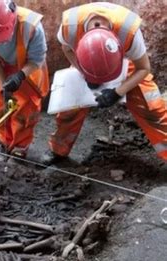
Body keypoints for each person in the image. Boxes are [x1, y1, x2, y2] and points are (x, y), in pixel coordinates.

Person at [43, 2, 167, 164]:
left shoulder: (128, 32)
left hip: (124, 63)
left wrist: (118, 92)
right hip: (85, 62)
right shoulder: (70, 27)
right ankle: (58, 150)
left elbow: (143, 68)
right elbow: (67, 49)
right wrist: (85, 73)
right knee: (70, 109)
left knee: (152, 108)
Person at [0, 0, 49, 158]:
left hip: (28, 67)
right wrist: (4, 87)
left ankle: (19, 147)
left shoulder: (32, 27)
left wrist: (20, 76)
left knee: (25, 106)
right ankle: (4, 142)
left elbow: (37, 60)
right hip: (0, 65)